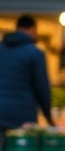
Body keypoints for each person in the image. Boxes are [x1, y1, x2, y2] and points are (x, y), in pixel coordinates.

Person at [0, 15, 54, 143]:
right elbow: (42, 88)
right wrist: (48, 117)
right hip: (22, 116)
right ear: (32, 29)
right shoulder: (35, 53)